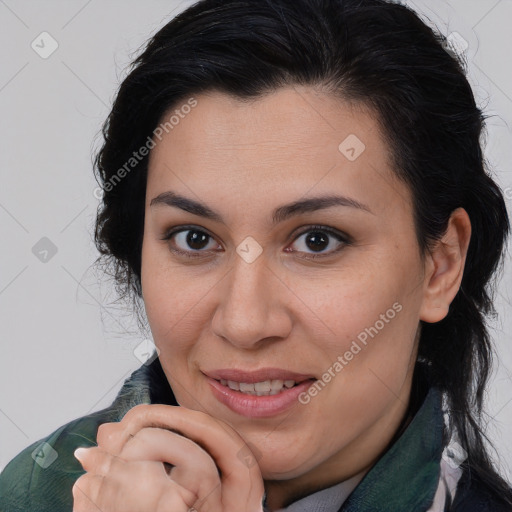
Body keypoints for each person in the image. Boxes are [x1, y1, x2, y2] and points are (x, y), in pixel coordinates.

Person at [1, 0, 511, 510]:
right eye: (194, 239)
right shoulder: (31, 493)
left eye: (317, 240)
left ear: (440, 266)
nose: (245, 323)